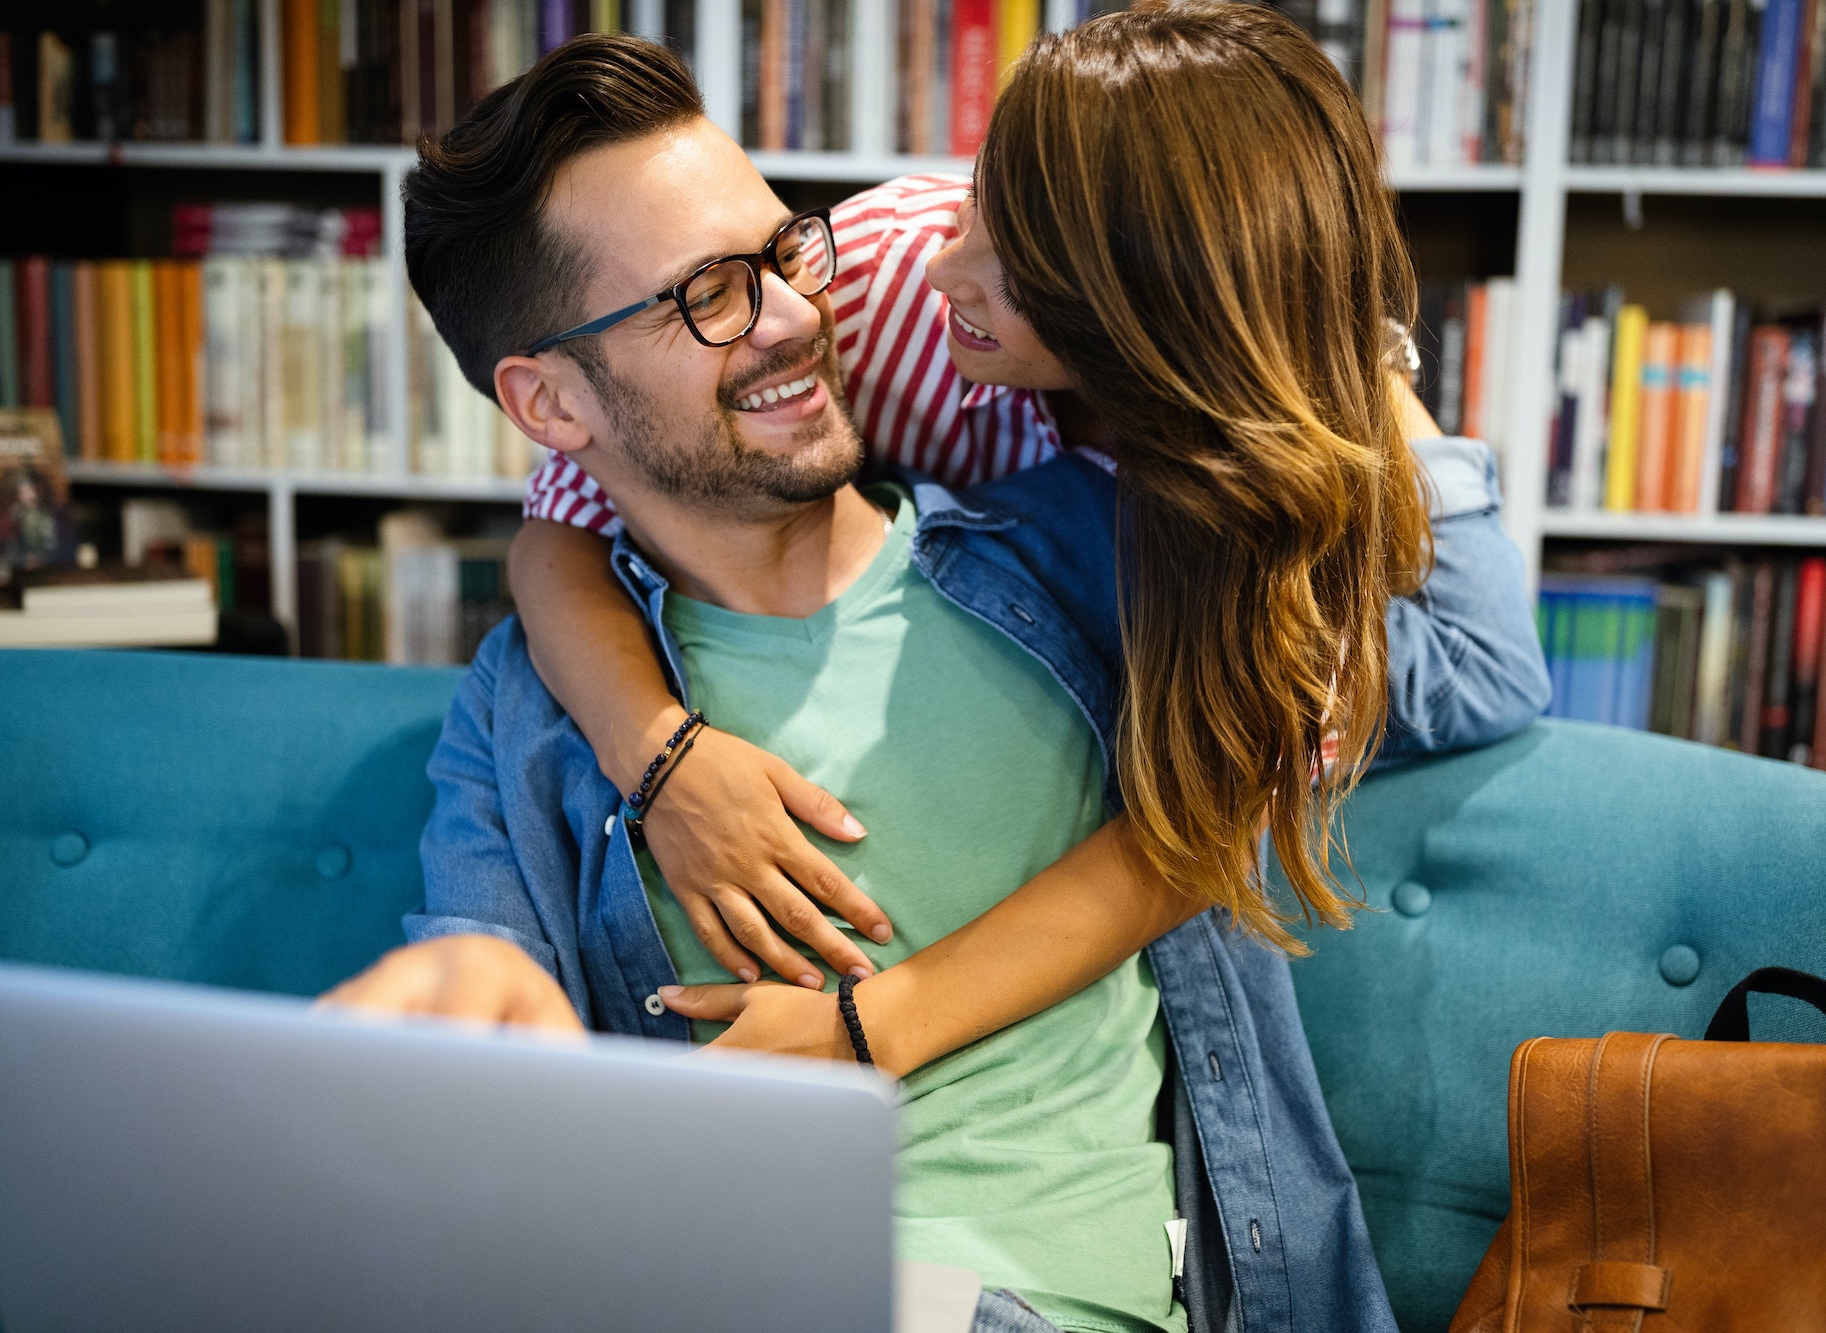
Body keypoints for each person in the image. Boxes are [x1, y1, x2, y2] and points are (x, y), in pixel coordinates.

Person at [324, 12, 1545, 1330]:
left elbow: (1456, 669)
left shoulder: (1098, 556)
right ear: (549, 404)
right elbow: (482, 944)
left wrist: (1340, 338)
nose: (798, 312)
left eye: (780, 249)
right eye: (707, 295)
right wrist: (483, 993)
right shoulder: (533, 699)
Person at [503, 11, 1546, 997]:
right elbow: (561, 531)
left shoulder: (1211, 517)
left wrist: (1358, 367)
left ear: (1143, 322)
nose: (949, 266)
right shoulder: (870, 281)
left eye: (1016, 272)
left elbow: (1480, 671)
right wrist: (663, 758)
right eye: (972, 206)